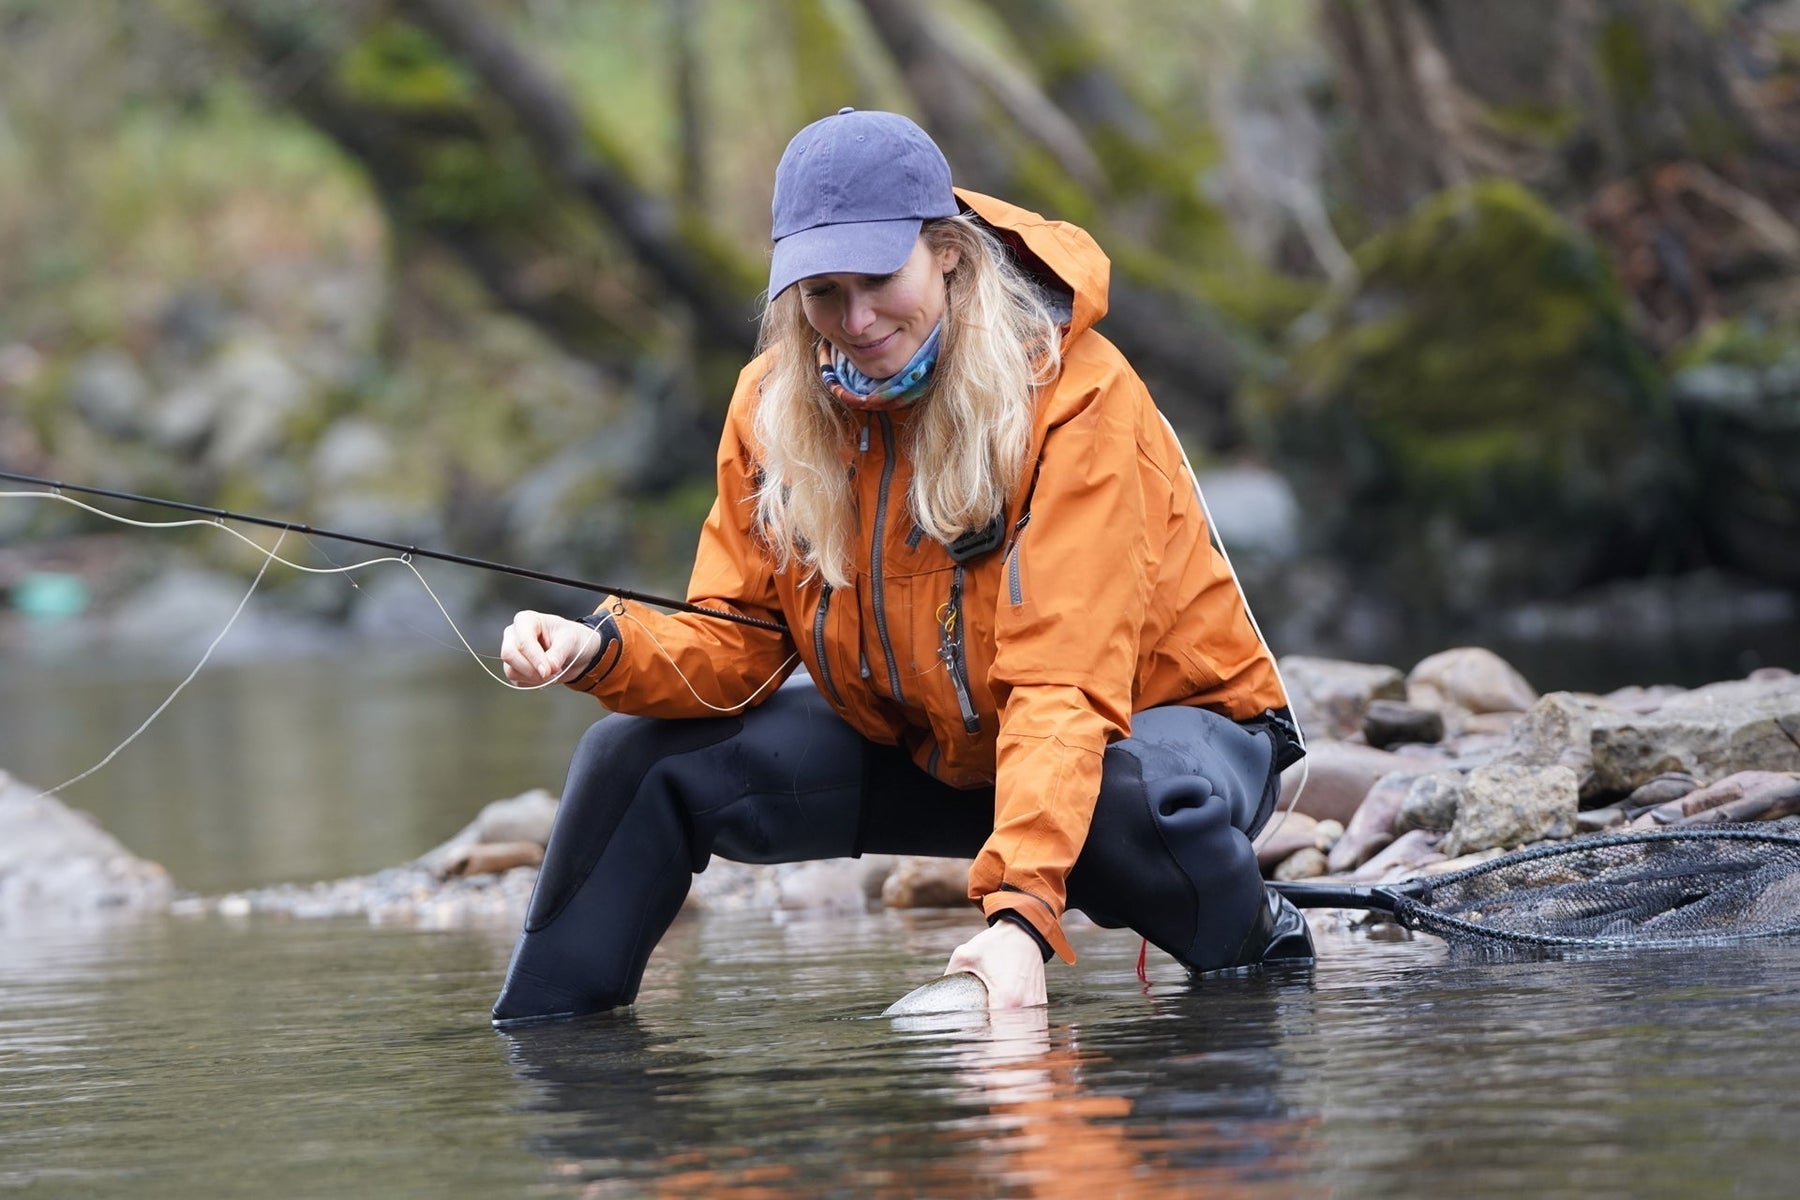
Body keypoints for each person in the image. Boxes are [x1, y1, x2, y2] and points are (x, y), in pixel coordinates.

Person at [494, 108, 1310, 1025]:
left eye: (880, 279)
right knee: (632, 758)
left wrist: (1020, 921)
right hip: (939, 740)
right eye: (821, 293)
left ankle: (1262, 950)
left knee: (1130, 806)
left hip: (1162, 729)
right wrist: (597, 649)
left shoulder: (1079, 397)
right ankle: (551, 1057)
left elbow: (1063, 684)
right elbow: (740, 642)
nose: (856, 321)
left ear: (948, 252)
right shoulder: (773, 404)